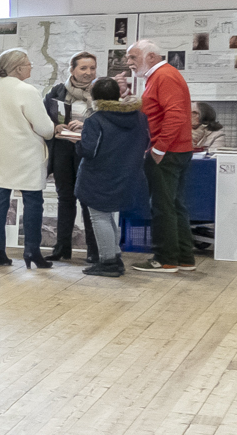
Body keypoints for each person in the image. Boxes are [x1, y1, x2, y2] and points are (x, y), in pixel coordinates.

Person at [0, 48, 57, 269]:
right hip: (25, 154)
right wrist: (54, 128)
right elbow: (45, 129)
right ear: (18, 68)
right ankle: (32, 251)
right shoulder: (26, 90)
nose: (31, 65)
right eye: (27, 62)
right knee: (33, 201)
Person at [126, 40, 196, 272]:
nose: (129, 63)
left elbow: (175, 115)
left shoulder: (164, 76)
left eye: (133, 58)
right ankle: (184, 258)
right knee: (175, 205)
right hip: (176, 150)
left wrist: (158, 148)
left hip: (167, 152)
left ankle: (165, 259)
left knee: (163, 206)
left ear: (152, 57)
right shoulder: (160, 76)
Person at [74, 75, 147, 278]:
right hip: (127, 174)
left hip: (99, 177)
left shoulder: (95, 120)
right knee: (108, 217)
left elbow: (89, 150)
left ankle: (108, 262)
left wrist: (77, 143)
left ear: (95, 96)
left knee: (99, 217)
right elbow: (145, 142)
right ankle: (114, 255)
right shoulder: (139, 116)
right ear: (117, 95)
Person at [42, 51, 101, 262]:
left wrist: (86, 126)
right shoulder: (57, 91)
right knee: (65, 199)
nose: (88, 73)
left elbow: (108, 121)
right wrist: (55, 126)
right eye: (83, 68)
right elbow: (43, 118)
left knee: (88, 200)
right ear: (72, 70)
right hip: (63, 150)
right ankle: (62, 248)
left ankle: (93, 251)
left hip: (88, 151)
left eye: (92, 68)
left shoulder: (100, 93)